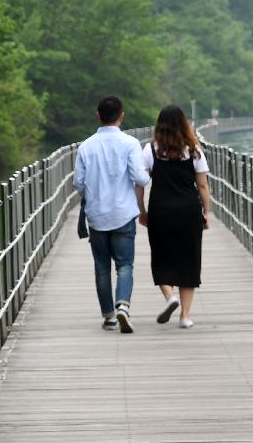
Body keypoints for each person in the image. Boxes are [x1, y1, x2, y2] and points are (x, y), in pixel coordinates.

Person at [73, 96, 150, 333]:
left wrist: (94, 192)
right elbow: (140, 177)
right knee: (125, 265)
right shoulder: (130, 144)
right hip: (124, 213)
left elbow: (78, 183)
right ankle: (123, 306)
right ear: (122, 115)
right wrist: (147, 177)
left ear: (98, 115)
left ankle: (108, 316)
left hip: (97, 215)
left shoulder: (86, 146)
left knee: (102, 267)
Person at [139, 105, 210, 329]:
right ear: (184, 124)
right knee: (190, 260)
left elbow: (139, 184)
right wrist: (206, 213)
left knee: (161, 256)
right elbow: (202, 185)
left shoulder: (150, 150)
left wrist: (142, 211)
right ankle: (185, 316)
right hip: (189, 211)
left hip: (160, 210)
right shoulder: (194, 150)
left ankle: (170, 297)